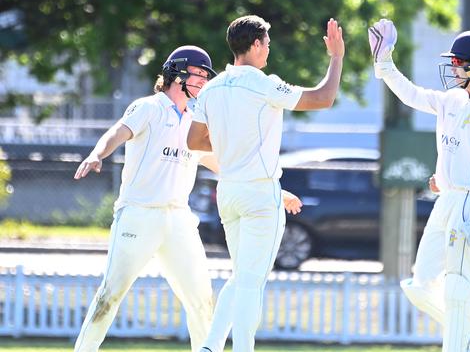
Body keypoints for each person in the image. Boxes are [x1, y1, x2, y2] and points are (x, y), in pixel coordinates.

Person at [72, 45, 303, 352]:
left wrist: (274, 190)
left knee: (201, 300)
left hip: (179, 219)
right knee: (110, 295)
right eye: (199, 75)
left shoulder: (194, 120)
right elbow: (118, 131)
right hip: (139, 214)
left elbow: (221, 163)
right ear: (177, 73)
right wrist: (97, 154)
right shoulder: (149, 107)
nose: (205, 83)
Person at [187, 15, 345, 352]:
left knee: (242, 275)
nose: (268, 51)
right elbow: (323, 98)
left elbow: (194, 140)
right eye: (267, 44)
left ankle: (211, 346)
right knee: (252, 283)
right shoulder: (263, 83)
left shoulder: (212, 88)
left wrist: (233, 144)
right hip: (259, 194)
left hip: (228, 192)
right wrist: (336, 57)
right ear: (255, 45)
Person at [369, 20, 470, 351]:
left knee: (458, 288)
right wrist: (385, 63)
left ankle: (466, 344)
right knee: (420, 285)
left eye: (458, 61)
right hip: (447, 200)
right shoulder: (452, 100)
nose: (452, 66)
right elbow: (412, 94)